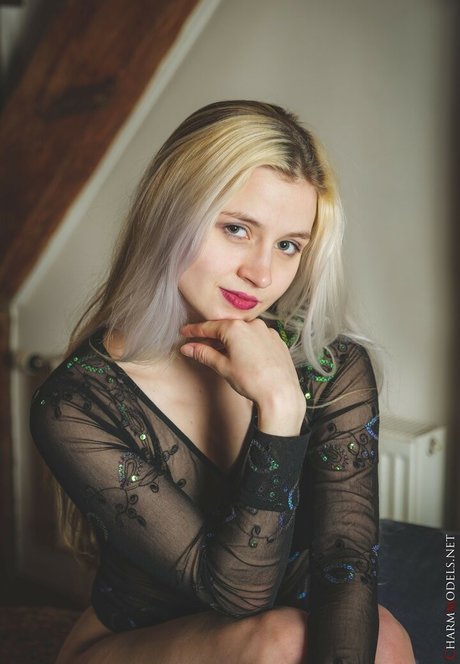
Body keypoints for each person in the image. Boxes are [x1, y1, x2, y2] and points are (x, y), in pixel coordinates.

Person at [30, 100, 415, 663]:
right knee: (283, 640)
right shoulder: (76, 404)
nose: (261, 273)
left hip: (269, 633)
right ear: (170, 215)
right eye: (237, 229)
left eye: (288, 245)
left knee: (384, 638)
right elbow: (238, 596)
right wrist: (280, 410)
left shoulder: (332, 368)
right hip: (134, 644)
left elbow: (346, 561)